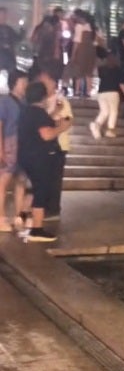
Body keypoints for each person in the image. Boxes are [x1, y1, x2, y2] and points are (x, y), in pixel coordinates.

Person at [18, 81, 71, 242]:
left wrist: (56, 114)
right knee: (41, 190)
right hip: (39, 157)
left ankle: (26, 219)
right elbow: (46, 134)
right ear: (42, 96)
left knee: (34, 189)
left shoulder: (27, 111)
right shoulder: (38, 113)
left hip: (27, 155)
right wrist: (63, 127)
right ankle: (37, 229)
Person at [36, 71, 73, 220]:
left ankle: (53, 209)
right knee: (44, 177)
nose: (43, 84)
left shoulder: (60, 100)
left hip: (58, 144)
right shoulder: (41, 101)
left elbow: (67, 120)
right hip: (43, 144)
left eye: (45, 81)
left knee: (54, 178)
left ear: (52, 82)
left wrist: (54, 122)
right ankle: (43, 207)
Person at [0, 70, 28, 231]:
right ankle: (1, 218)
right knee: (3, 181)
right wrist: (1, 148)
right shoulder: (4, 101)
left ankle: (18, 215)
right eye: (22, 82)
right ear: (14, 83)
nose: (25, 85)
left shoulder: (24, 102)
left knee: (21, 180)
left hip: (22, 143)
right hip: (9, 142)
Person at [89, 53, 124, 139]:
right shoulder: (118, 70)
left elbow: (95, 74)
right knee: (113, 111)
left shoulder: (102, 69)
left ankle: (96, 124)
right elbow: (121, 84)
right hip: (113, 92)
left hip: (102, 93)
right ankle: (110, 130)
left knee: (104, 111)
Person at [0, 7, 19, 73]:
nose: (2, 17)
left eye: (4, 15)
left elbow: (17, 40)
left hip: (9, 59)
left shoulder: (9, 30)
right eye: (1, 15)